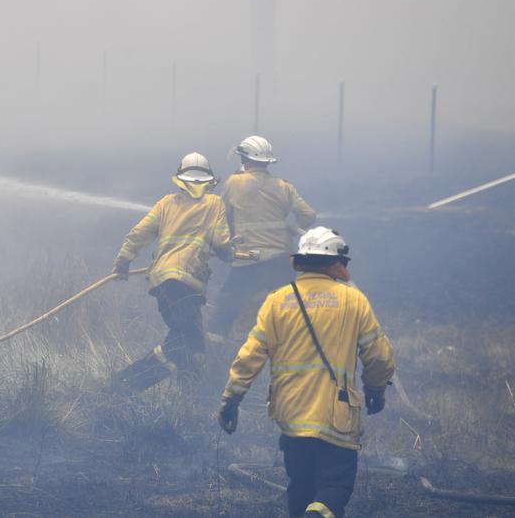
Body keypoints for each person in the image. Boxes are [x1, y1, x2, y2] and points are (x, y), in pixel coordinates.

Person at [216, 227, 395, 518]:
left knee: (301, 485)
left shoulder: (277, 300)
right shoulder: (353, 300)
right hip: (335, 414)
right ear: (337, 263)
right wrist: (376, 390)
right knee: (335, 487)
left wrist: (231, 399)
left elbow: (250, 355)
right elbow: (379, 356)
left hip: (291, 414)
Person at [112, 152, 235, 393]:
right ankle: (126, 383)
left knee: (189, 341)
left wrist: (123, 262)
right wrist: (229, 254)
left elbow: (139, 233)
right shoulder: (214, 203)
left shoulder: (165, 203)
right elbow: (221, 242)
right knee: (188, 344)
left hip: (164, 282)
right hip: (185, 281)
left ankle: (188, 397)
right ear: (208, 181)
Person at [206, 135, 316, 342]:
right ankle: (300, 351)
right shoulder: (284, 187)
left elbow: (222, 215)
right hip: (281, 261)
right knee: (291, 314)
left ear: (244, 160)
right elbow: (308, 214)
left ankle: (213, 357)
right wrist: (293, 229)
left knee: (224, 311)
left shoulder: (233, 183)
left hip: (247, 261)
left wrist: (220, 244)